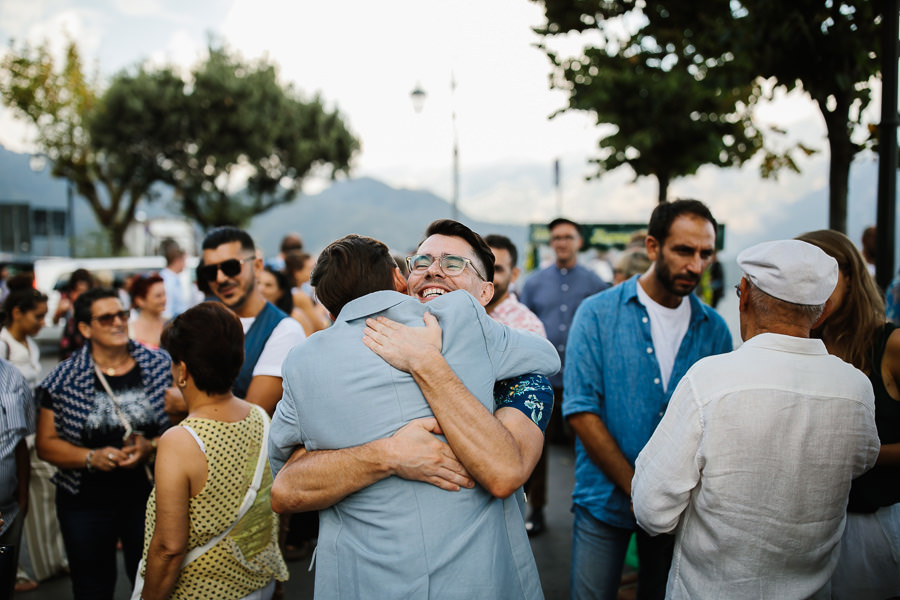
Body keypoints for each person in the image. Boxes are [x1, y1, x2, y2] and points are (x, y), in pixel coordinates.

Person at [269, 229, 560, 599]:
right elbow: (288, 486)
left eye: (453, 263)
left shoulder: (523, 383)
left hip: (429, 580)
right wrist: (387, 454)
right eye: (421, 262)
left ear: (485, 292)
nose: (433, 271)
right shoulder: (457, 320)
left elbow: (506, 472)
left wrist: (426, 361)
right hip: (404, 581)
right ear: (400, 279)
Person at [631, 239, 880, 599]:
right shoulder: (855, 388)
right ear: (822, 310)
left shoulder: (710, 381)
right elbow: (862, 461)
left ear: (744, 294)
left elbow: (652, 509)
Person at [564, 199, 732, 599]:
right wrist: (640, 488)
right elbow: (581, 410)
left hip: (680, 511)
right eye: (684, 251)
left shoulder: (715, 330)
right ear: (654, 247)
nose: (696, 264)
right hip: (603, 501)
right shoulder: (598, 313)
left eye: (706, 253)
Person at [137, 302, 287, 600]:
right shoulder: (260, 417)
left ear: (182, 370)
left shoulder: (180, 441)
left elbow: (169, 548)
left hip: (202, 591)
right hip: (258, 584)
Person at [35, 287, 171, 600]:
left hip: (148, 498)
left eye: (122, 314)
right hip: (85, 503)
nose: (118, 322)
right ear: (84, 328)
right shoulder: (62, 379)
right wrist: (91, 457)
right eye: (106, 317)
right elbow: (46, 444)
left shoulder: (160, 365)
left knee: (154, 582)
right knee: (91, 588)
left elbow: (189, 427)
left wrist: (151, 447)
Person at [796, 229, 900, 598]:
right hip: (804, 528)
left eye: (823, 273)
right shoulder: (798, 349)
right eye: (799, 275)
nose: (811, 285)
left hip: (873, 526)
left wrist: (861, 456)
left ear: (852, 277)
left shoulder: (891, 344)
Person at [519, 217, 608, 534]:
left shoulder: (595, 284)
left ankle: (589, 510)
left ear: (578, 242)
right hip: (543, 379)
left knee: (586, 447)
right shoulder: (533, 283)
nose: (561, 242)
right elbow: (522, 325)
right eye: (556, 237)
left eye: (567, 237)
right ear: (551, 242)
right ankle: (536, 510)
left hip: (580, 381)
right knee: (536, 450)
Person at [0, 280, 68, 589]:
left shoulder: (29, 345)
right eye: (37, 316)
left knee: (43, 495)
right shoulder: (4, 345)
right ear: (17, 313)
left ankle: (48, 561)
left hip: (29, 437)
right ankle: (15, 571)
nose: (43, 323)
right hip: (14, 439)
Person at [197, 227, 305, 415]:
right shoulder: (202, 322)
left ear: (257, 266)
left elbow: (251, 416)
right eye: (210, 271)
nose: (220, 278)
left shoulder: (284, 330)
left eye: (231, 267)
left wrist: (186, 404)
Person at [0, 359, 34, 600]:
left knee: (3, 585)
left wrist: (23, 496)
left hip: (10, 512)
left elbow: (20, 443)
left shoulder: (12, 376)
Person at [257, 265, 316, 336]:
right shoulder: (248, 315)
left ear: (280, 292)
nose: (260, 289)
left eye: (268, 285)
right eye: (258, 283)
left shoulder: (295, 316)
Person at [53, 268, 93, 361]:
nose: (81, 287)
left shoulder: (91, 298)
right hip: (70, 338)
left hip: (87, 335)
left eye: (84, 283)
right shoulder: (67, 297)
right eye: (79, 283)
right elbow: (54, 321)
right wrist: (60, 310)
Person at [127, 274, 167, 349]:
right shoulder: (129, 330)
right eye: (158, 296)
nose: (164, 299)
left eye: (164, 294)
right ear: (140, 300)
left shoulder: (172, 324)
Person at [159, 238, 191, 319]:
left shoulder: (172, 278)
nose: (185, 264)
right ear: (177, 261)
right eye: (184, 261)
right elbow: (166, 310)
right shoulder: (167, 280)